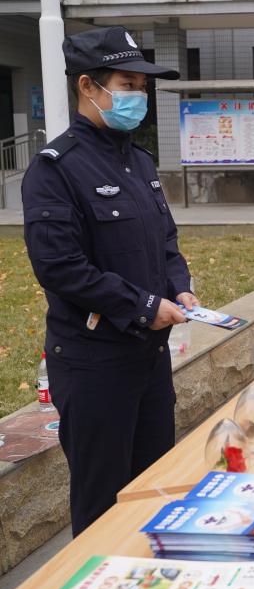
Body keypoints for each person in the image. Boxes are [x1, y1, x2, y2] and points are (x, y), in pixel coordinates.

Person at [22, 26, 197, 535]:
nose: (138, 96)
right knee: (103, 507)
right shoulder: (56, 170)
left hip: (150, 358)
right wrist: (143, 306)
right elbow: (60, 266)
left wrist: (179, 286)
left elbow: (165, 239)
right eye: (127, 85)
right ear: (88, 86)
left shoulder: (138, 162)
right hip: (95, 363)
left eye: (142, 87)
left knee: (154, 492)